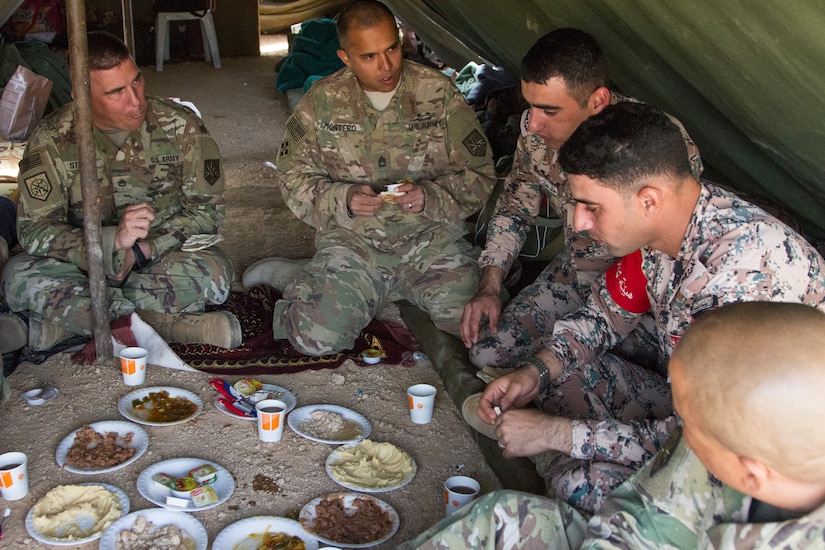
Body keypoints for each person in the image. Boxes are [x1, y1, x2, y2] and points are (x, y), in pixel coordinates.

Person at [473, 102, 825, 513]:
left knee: (580, 485)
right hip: (695, 407)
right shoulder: (670, 230)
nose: (580, 222)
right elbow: (604, 316)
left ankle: (562, 461)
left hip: (769, 466)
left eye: (592, 207)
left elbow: (697, 442)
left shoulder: (741, 281)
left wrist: (558, 435)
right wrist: (534, 373)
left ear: (649, 200)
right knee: (562, 368)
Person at [401, 302, 825, 549]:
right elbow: (643, 516)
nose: (675, 436)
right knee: (503, 516)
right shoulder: (746, 446)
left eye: (688, 430)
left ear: (749, 473)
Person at [242, 0, 495, 356]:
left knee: (482, 332)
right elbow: (292, 176)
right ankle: (298, 278)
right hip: (354, 243)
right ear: (345, 57)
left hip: (429, 240)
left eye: (392, 48)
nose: (387, 65)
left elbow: (480, 172)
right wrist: (342, 199)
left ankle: (355, 285)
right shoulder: (322, 102)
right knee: (315, 339)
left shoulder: (437, 94)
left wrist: (430, 196)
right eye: (369, 56)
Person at [460, 28, 702, 371]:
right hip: (577, 275)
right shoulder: (535, 137)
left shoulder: (654, 142)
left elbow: (675, 240)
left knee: (578, 374)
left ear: (598, 102)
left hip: (644, 294)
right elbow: (516, 204)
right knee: (488, 353)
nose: (534, 123)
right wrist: (490, 281)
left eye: (550, 110)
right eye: (530, 106)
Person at [1, 31, 240, 352]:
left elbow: (207, 214)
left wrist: (140, 251)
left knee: (215, 272)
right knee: (17, 275)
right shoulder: (51, 140)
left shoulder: (180, 127)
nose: (136, 100)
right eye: (116, 92)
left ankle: (66, 324)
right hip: (81, 263)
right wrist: (105, 244)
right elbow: (34, 230)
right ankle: (170, 325)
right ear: (80, 97)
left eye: (136, 82)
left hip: (158, 259)